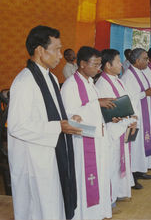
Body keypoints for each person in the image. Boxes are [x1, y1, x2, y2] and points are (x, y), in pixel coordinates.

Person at [7, 25, 81, 220]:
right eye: (56, 49)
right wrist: (58, 127)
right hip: (34, 159)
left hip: (51, 153)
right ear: (40, 50)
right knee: (38, 208)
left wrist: (69, 120)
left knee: (52, 205)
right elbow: (16, 126)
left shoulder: (51, 78)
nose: (60, 55)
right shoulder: (25, 82)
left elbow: (53, 114)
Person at [61, 46, 114, 219]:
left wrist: (109, 116)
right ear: (82, 64)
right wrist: (97, 104)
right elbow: (69, 118)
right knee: (86, 181)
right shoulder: (70, 86)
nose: (98, 68)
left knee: (100, 176)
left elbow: (95, 109)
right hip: (82, 142)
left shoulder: (90, 82)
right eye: (95, 64)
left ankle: (97, 212)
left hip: (97, 138)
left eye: (100, 64)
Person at [95, 49, 137, 210]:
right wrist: (122, 120)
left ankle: (119, 191)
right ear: (107, 65)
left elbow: (128, 101)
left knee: (121, 159)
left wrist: (133, 118)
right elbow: (108, 111)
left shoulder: (117, 80)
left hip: (123, 126)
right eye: (118, 61)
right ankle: (110, 195)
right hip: (113, 129)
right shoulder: (102, 84)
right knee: (112, 163)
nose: (121, 64)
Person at [121, 48, 151, 189]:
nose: (147, 61)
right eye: (145, 58)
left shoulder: (140, 73)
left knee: (140, 146)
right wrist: (144, 94)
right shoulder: (128, 76)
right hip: (134, 118)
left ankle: (139, 170)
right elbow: (128, 98)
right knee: (133, 146)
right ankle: (132, 176)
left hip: (144, 114)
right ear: (137, 61)